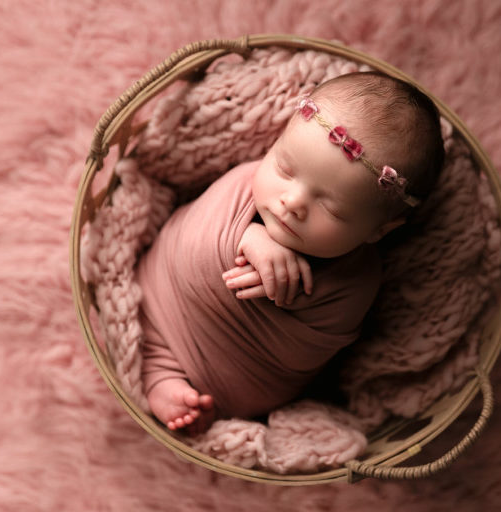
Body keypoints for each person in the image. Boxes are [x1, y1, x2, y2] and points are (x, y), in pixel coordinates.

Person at [135, 72, 445, 434]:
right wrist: (246, 237)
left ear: (377, 231)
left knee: (179, 383)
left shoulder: (357, 280)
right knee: (151, 337)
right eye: (285, 168)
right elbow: (188, 240)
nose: (293, 202)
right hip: (157, 301)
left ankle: (165, 386)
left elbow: (304, 352)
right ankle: (160, 377)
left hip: (240, 381)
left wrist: (287, 290)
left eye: (333, 209)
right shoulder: (241, 182)